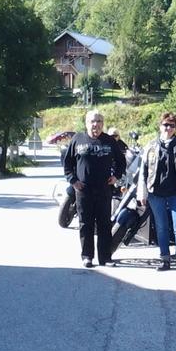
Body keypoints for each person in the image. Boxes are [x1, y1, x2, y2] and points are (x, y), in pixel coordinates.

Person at [63, 109, 128, 268]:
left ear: (103, 124)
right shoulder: (77, 139)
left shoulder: (109, 141)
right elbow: (67, 164)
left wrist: (116, 176)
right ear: (87, 123)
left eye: (99, 121)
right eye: (93, 121)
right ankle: (87, 256)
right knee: (86, 223)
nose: (96, 124)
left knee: (104, 224)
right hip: (83, 190)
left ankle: (105, 258)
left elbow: (121, 162)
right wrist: (73, 180)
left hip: (104, 190)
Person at [137, 112, 176, 274]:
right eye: (165, 125)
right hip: (156, 193)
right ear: (160, 126)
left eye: (172, 125)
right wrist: (142, 193)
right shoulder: (151, 146)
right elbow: (143, 171)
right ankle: (165, 259)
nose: (168, 128)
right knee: (161, 227)